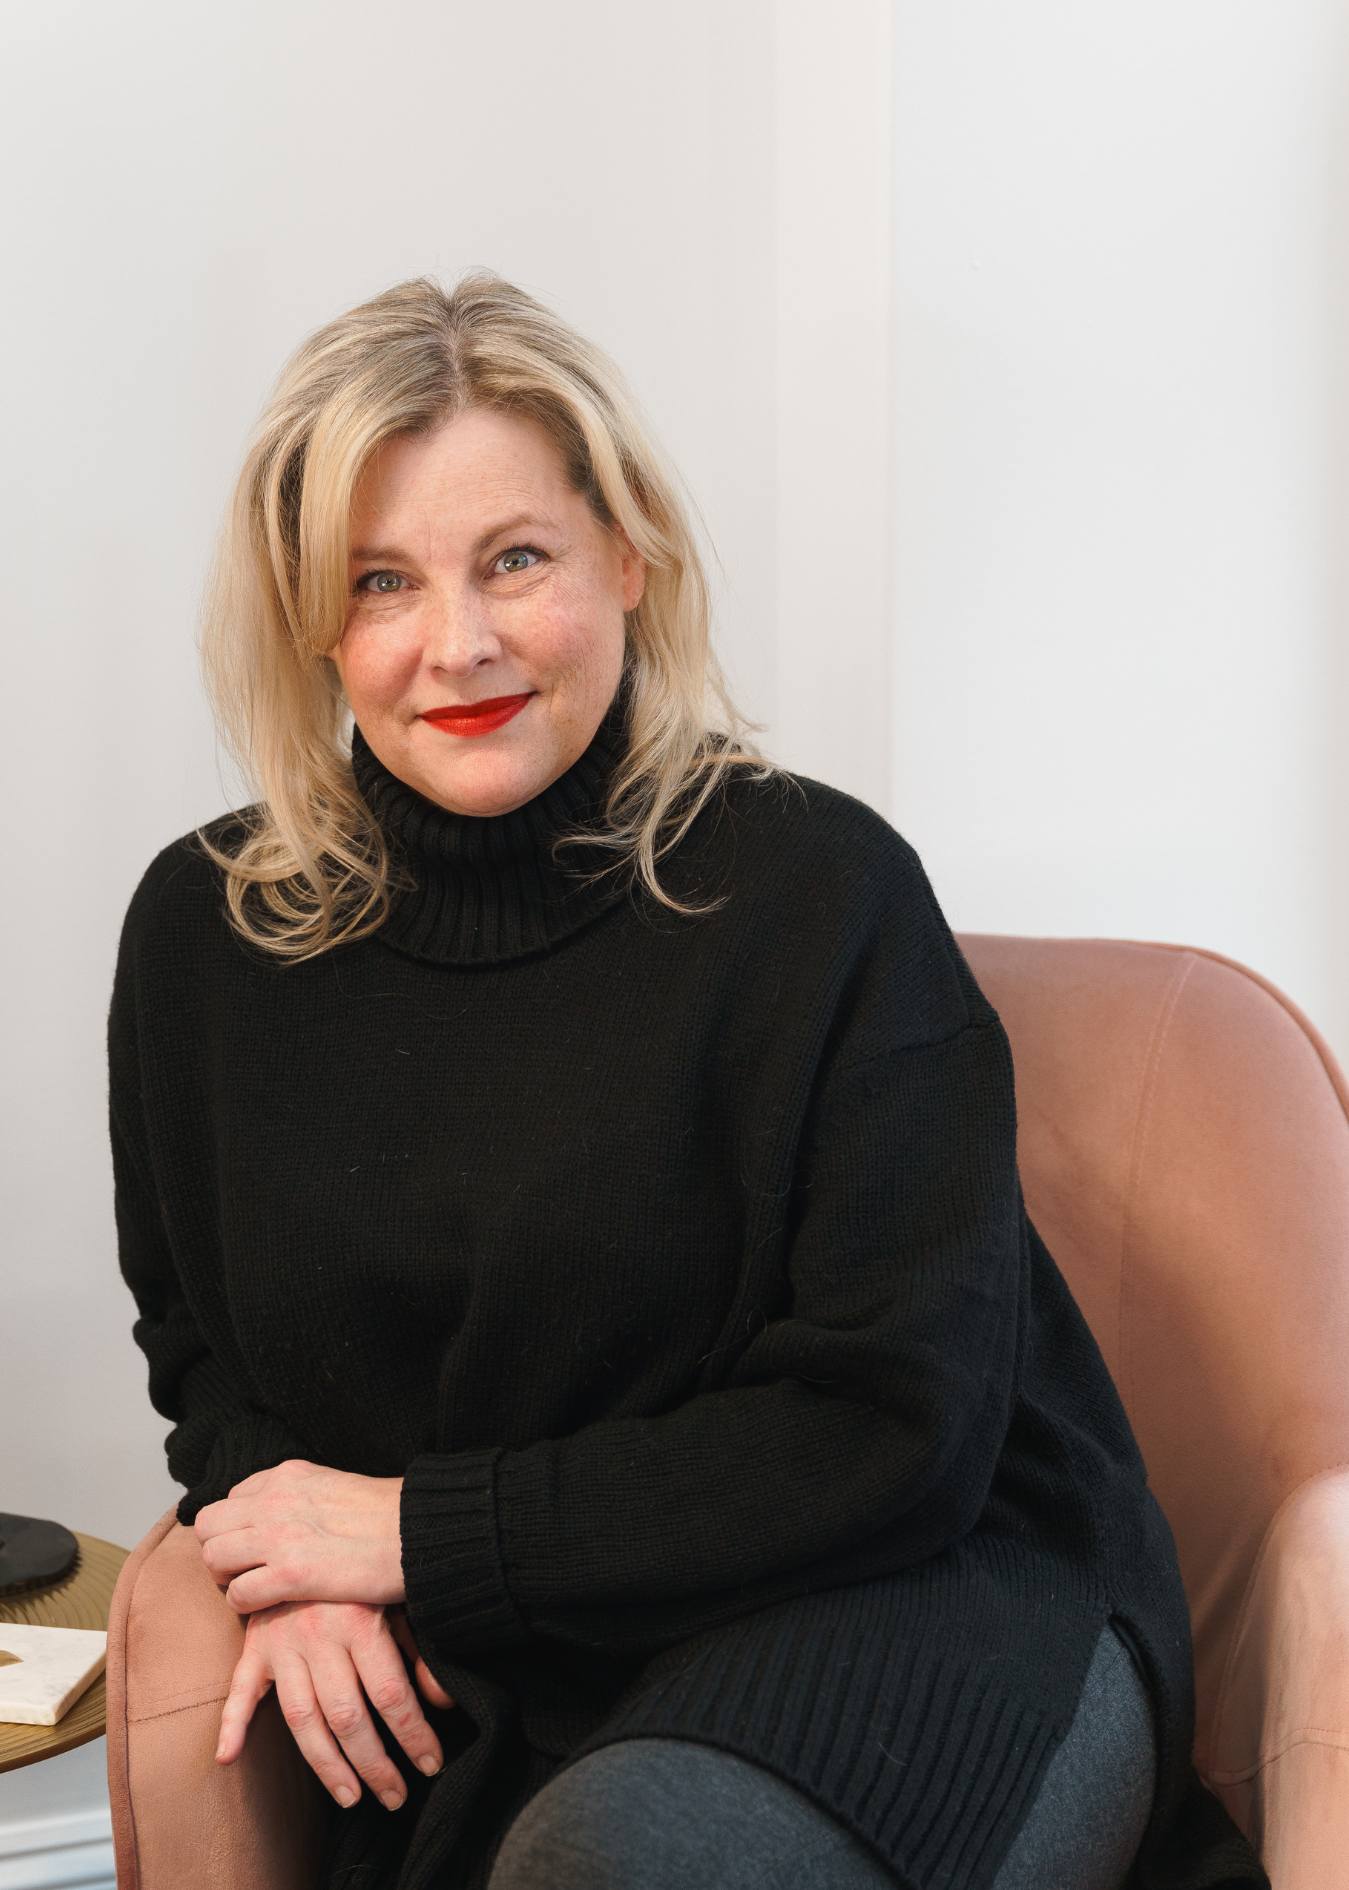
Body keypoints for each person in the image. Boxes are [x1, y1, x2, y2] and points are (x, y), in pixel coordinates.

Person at [109, 275, 1266, 1890]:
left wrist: (413, 1535)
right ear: (312, 619)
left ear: (628, 558)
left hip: (922, 1593)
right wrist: (283, 1551)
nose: (457, 642)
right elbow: (202, 1344)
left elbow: (898, 1428)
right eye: (381, 581)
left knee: (625, 1859)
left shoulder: (820, 895)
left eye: (516, 557)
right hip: (539, 1645)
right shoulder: (209, 936)